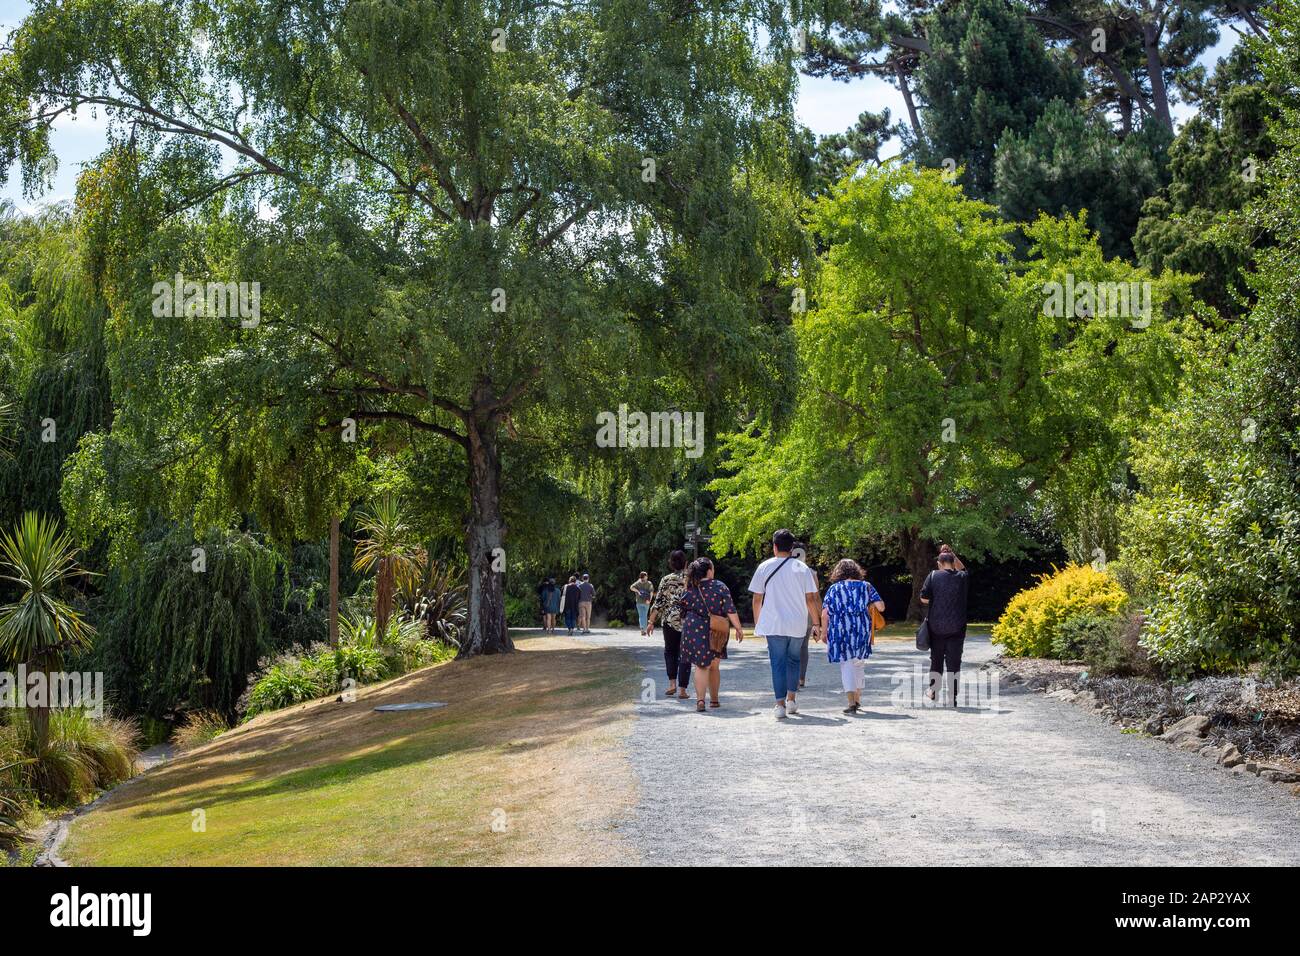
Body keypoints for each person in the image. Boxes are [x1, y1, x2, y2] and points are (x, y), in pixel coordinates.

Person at [748, 529, 821, 720]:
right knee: (794, 661)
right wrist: (816, 623)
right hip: (797, 623)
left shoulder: (764, 567)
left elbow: (757, 599)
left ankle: (779, 704)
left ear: (774, 546)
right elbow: (811, 599)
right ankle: (791, 700)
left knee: (777, 663)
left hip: (773, 623)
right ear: (792, 548)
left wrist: (758, 623)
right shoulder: (801, 568)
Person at [677, 557, 744, 713]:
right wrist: (738, 628)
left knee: (701, 666)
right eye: (713, 568)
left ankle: (701, 701)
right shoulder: (720, 586)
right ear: (709, 570)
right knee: (714, 665)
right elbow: (730, 609)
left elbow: (682, 607)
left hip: (693, 628)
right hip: (716, 629)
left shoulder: (690, 587)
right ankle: (714, 700)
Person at [819, 559, 885, 714]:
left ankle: (851, 702)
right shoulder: (867, 586)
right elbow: (881, 607)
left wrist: (824, 632)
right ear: (856, 570)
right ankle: (857, 699)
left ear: (839, 572)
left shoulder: (834, 589)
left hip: (840, 630)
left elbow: (824, 614)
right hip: (862, 629)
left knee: (846, 664)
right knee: (858, 663)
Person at [920, 545, 969, 707]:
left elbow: (924, 599)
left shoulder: (933, 576)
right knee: (955, 662)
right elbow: (963, 568)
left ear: (939, 563)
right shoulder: (962, 577)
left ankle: (934, 690)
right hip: (957, 626)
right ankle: (952, 697)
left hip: (936, 626)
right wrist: (953, 553)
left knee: (936, 660)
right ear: (953, 561)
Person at [646, 550, 691, 698]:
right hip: (687, 620)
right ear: (686, 563)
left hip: (669, 620)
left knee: (670, 652)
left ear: (671, 564)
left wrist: (651, 622)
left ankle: (672, 684)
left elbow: (658, 602)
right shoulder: (691, 578)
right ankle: (683, 690)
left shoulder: (666, 579)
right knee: (685, 654)